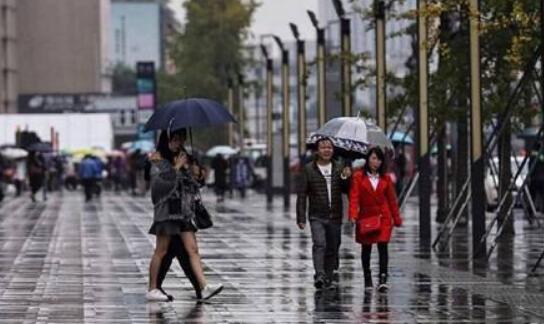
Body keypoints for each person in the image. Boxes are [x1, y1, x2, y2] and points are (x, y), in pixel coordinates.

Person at [147, 128, 223, 301]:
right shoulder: (157, 159)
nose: (178, 143)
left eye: (181, 139)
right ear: (166, 140)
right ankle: (152, 289)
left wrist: (197, 173)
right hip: (167, 212)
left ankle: (204, 287)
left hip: (184, 212)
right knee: (162, 250)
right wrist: (176, 167)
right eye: (174, 139)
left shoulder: (185, 157)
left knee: (192, 250)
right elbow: (159, 186)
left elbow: (194, 185)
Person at [296, 137, 352, 289]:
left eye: (329, 147)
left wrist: (347, 177)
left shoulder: (339, 167)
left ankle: (327, 276)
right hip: (317, 215)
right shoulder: (309, 169)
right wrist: (300, 217)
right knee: (319, 244)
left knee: (333, 246)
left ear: (333, 150)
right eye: (323, 147)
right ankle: (319, 274)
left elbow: (346, 189)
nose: (326, 150)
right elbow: (302, 194)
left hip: (335, 214)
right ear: (317, 150)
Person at [349, 147, 403, 292]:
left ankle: (383, 278)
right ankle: (368, 278)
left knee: (383, 246)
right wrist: (353, 214)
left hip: (383, 217)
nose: (376, 162)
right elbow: (354, 197)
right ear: (367, 159)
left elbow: (392, 200)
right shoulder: (358, 177)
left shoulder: (386, 178)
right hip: (366, 217)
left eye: (379, 159)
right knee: (366, 248)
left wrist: (397, 218)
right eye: (373, 158)